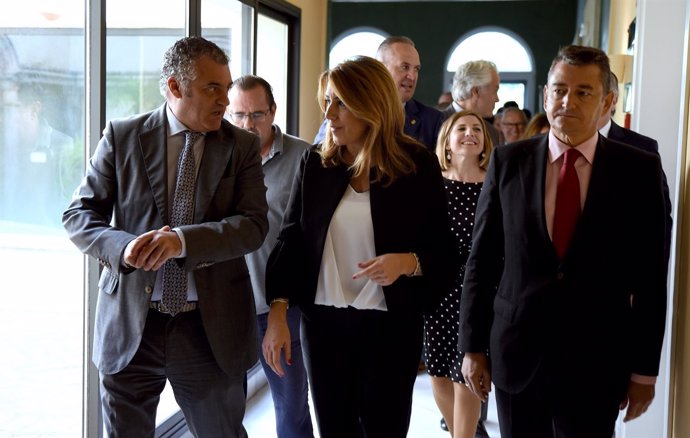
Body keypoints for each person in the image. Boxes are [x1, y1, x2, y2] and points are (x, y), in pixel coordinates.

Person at [62, 36, 268, 438]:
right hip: (131, 329)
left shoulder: (241, 146)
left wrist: (183, 242)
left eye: (226, 88)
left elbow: (253, 225)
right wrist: (122, 247)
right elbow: (79, 215)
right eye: (213, 89)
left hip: (208, 331)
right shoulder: (123, 136)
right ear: (175, 87)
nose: (225, 101)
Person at [459, 45, 668, 438]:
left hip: (598, 359)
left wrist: (644, 370)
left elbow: (651, 278)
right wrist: (472, 347)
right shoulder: (508, 162)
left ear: (607, 100)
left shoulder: (638, 171)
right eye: (558, 90)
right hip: (518, 353)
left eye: (583, 92)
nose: (567, 101)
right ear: (544, 95)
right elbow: (482, 260)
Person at [263, 56, 454, 438]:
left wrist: (408, 262)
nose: (329, 114)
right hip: (323, 328)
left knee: (385, 429)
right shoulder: (315, 164)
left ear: (372, 105)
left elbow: (444, 252)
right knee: (335, 429)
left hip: (391, 327)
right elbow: (292, 239)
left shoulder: (416, 164)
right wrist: (278, 312)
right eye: (327, 102)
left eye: (341, 103)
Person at [227, 75, 314, 438]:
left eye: (257, 114)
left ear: (274, 111)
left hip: (281, 307)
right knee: (226, 410)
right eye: (239, 115)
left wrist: (285, 306)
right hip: (226, 308)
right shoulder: (216, 154)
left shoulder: (304, 157)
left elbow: (310, 238)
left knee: (291, 407)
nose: (248, 124)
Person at [424, 110, 493, 438]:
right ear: (447, 143)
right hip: (438, 294)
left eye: (476, 129)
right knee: (439, 375)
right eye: (461, 128)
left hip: (481, 295)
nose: (470, 133)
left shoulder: (496, 181)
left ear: (485, 141)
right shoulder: (431, 184)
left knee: (467, 376)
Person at [314, 36, 444, 151]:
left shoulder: (432, 121)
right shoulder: (342, 117)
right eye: (404, 67)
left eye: (416, 69)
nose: (412, 76)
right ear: (381, 69)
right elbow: (321, 158)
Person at [597, 71, 672, 265]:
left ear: (611, 100)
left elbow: (659, 223)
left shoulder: (641, 148)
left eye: (587, 93)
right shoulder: (555, 145)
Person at [443, 60, 501, 147]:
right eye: (495, 91)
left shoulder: (492, 132)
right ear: (476, 91)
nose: (497, 99)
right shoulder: (435, 124)